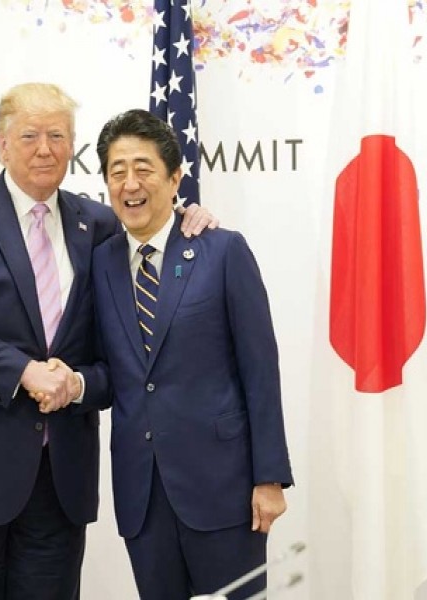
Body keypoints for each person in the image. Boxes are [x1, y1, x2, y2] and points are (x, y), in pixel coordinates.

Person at [0, 83, 217, 600]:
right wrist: (25, 372)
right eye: (29, 135)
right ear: (1, 144)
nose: (44, 148)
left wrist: (188, 218)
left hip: (60, 478)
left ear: (73, 145)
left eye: (57, 136)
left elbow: (125, 353)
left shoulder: (104, 225)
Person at [82, 108, 294, 600]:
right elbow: (110, 369)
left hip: (225, 489)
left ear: (175, 177)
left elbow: (260, 368)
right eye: (117, 171)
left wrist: (270, 477)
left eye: (144, 168)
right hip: (143, 493)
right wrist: (72, 383)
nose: (130, 183)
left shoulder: (222, 251)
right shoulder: (102, 264)